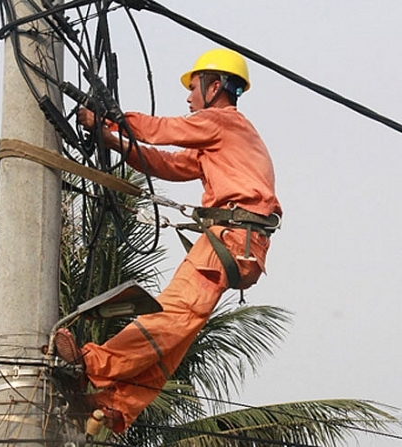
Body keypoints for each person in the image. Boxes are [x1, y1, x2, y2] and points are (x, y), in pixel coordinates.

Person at [55, 48, 283, 435]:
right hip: (239, 240)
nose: (189, 97)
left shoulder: (222, 122)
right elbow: (167, 164)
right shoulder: (221, 142)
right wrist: (110, 139)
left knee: (171, 315)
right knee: (178, 333)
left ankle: (91, 366)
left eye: (193, 87)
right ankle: (117, 406)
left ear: (215, 86)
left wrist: (112, 118)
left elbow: (161, 130)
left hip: (231, 237)